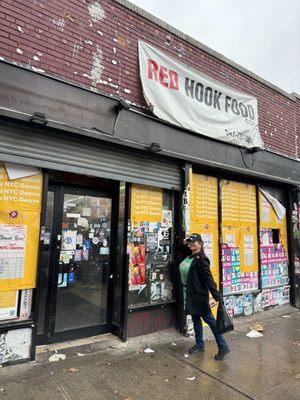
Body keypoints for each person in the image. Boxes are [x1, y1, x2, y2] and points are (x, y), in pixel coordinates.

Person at [179, 233, 230, 361]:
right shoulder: (190, 254)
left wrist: (216, 295)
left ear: (200, 244)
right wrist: (186, 241)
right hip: (190, 293)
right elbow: (180, 249)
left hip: (198, 295)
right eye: (190, 243)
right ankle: (199, 344)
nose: (191, 245)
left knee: (210, 321)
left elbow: (208, 278)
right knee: (196, 318)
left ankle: (223, 346)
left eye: (194, 242)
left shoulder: (202, 259)